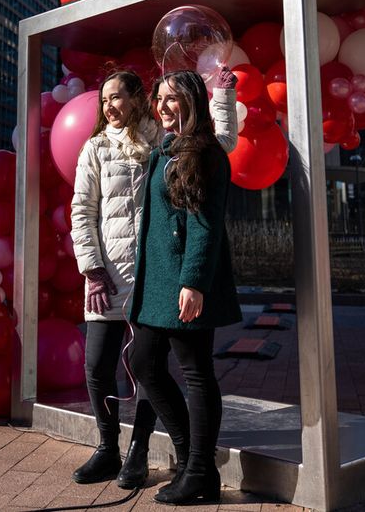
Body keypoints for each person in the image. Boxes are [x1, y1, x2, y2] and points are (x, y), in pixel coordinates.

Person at [70, 67, 237, 489]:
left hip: (160, 276)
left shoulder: (161, 142)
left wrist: (222, 97)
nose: (109, 106)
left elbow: (217, 150)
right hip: (112, 274)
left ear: (135, 100)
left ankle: (151, 454)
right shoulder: (109, 148)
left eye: (116, 97)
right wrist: (91, 268)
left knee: (174, 367)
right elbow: (81, 212)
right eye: (103, 100)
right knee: (109, 366)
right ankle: (119, 448)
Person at [129, 70, 242, 505]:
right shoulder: (165, 150)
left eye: (173, 98)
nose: (162, 106)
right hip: (158, 281)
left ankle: (200, 471)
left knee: (196, 372)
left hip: (183, 281)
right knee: (144, 362)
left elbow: (205, 223)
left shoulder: (206, 152)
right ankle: (188, 454)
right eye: (160, 99)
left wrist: (193, 281)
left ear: (193, 100)